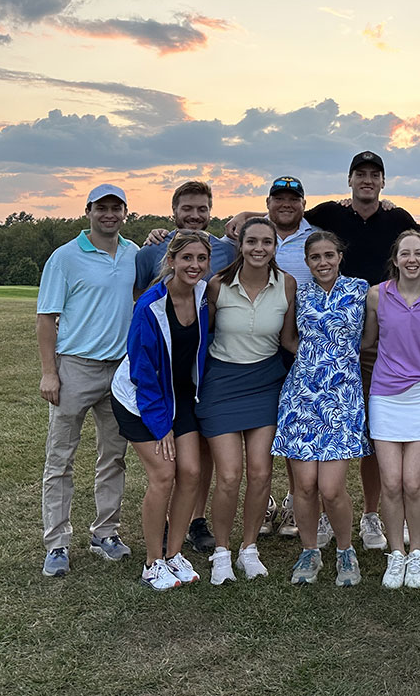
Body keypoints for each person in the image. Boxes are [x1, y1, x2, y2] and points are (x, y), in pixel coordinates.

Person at [229, 152, 417, 551]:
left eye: (373, 175)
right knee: (292, 440)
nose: (366, 180)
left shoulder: (389, 221)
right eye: (360, 174)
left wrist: (343, 353)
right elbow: (287, 336)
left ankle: (366, 515)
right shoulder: (320, 218)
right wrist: (245, 213)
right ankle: (301, 512)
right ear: (349, 179)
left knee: (365, 435)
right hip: (292, 352)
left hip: (350, 356)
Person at [36, 184, 138, 578]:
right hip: (75, 366)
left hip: (120, 369)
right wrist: (49, 371)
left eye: (116, 208)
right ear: (89, 211)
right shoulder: (65, 257)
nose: (109, 214)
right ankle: (57, 542)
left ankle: (105, 533)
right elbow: (46, 317)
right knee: (60, 458)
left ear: (125, 213)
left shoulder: (133, 255)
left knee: (113, 456)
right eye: (102, 208)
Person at [135, 180, 237, 555]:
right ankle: (162, 522)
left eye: (202, 209)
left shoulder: (227, 250)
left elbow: (263, 231)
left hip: (207, 366)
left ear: (212, 211)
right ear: (173, 210)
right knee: (168, 457)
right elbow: (141, 308)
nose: (195, 215)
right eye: (187, 208)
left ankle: (195, 520)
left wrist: (239, 221)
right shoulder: (149, 253)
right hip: (164, 371)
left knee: (202, 451)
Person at [197, 218, 297, 584]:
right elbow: (199, 340)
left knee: (260, 472)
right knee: (228, 475)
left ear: (275, 247)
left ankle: (249, 549)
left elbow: (288, 340)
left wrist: (327, 357)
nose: (259, 248)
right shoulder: (217, 286)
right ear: (240, 244)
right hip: (221, 385)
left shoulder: (286, 284)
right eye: (252, 241)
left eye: (266, 242)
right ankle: (222, 552)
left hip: (265, 383)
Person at [109, 230, 211, 590]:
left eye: (201, 259)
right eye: (186, 258)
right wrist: (160, 426)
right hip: (139, 400)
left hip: (179, 397)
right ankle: (153, 561)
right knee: (164, 474)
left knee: (192, 472)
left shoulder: (203, 298)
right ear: (171, 261)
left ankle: (174, 554)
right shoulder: (149, 306)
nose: (194, 265)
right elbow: (143, 374)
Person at [272, 231, 374, 586]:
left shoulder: (360, 290)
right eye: (315, 257)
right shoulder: (299, 294)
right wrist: (311, 359)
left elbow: (369, 338)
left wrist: (338, 360)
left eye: (329, 255)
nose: (323, 262)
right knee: (304, 485)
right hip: (302, 397)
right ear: (307, 262)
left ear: (339, 255)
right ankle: (310, 549)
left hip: (342, 397)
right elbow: (287, 338)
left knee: (331, 488)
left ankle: (346, 551)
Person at [362, 230, 420, 589]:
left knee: (413, 483)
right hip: (384, 394)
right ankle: (396, 553)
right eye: (404, 254)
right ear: (395, 260)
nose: (411, 259)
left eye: (418, 253)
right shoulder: (376, 296)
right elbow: (368, 342)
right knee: (391, 483)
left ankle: (417, 553)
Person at [264, 176, 320, 539]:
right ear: (268, 202)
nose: (286, 204)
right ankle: (266, 504)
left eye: (293, 199)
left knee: (297, 428)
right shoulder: (251, 234)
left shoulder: (314, 238)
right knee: (265, 427)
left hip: (303, 347)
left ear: (303, 203)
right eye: (279, 198)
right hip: (261, 346)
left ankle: (291, 502)